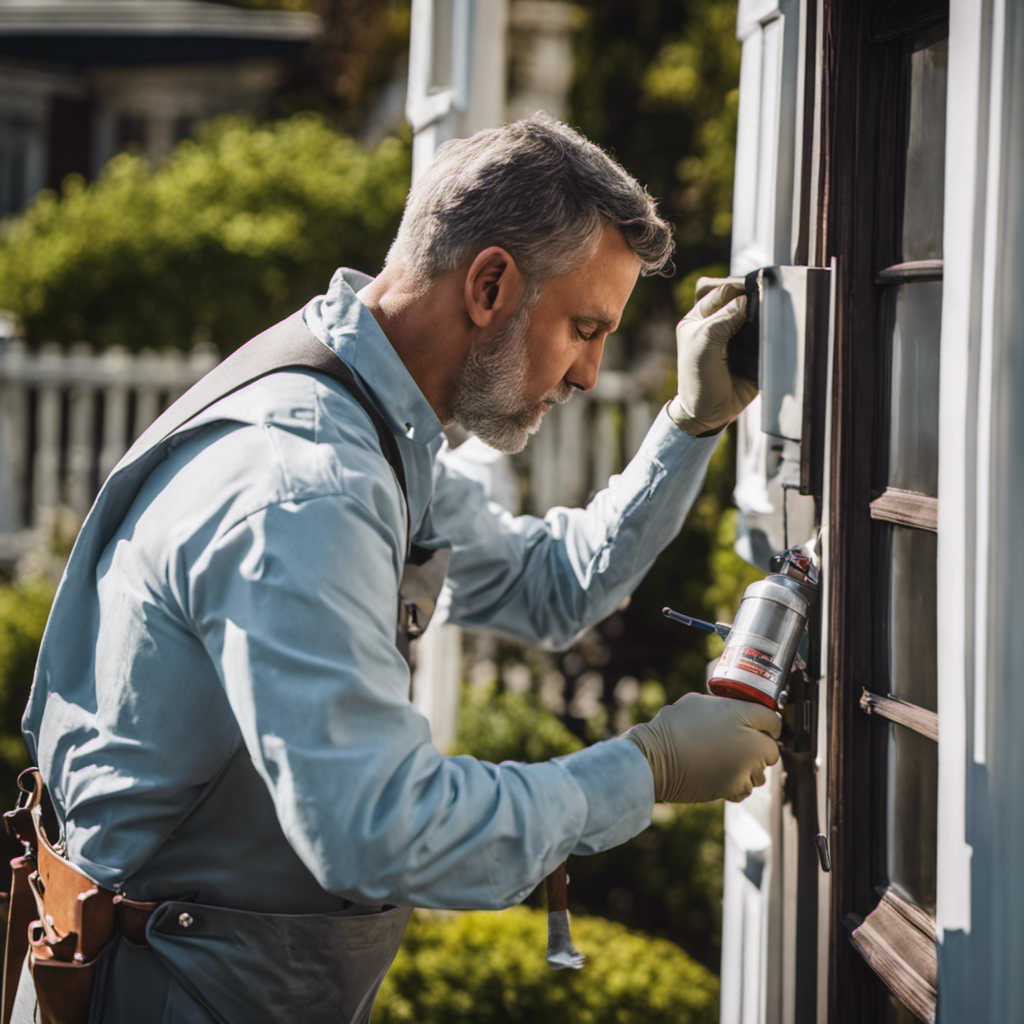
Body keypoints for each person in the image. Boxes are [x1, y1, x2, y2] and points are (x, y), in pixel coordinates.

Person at [13, 114, 779, 1023]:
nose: (587, 373)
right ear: (491, 283)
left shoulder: (373, 425)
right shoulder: (308, 485)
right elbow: (377, 828)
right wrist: (641, 768)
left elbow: (550, 587)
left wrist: (688, 427)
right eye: (583, 328)